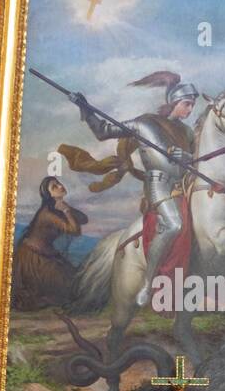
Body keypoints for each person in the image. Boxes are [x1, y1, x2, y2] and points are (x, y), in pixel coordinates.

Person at [67, 70, 197, 307]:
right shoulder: (145, 123)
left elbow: (199, 160)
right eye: (187, 104)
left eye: (192, 105)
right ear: (174, 102)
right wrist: (85, 108)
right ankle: (149, 284)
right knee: (174, 225)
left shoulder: (187, 132)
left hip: (183, 187)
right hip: (159, 187)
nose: (190, 110)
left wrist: (187, 156)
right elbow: (103, 132)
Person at [11, 176, 87, 310]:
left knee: (76, 281)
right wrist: (66, 211)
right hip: (34, 259)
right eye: (54, 187)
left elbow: (83, 219)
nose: (60, 186)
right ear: (49, 195)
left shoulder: (57, 209)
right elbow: (74, 230)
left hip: (49, 255)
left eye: (58, 183)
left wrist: (66, 207)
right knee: (67, 288)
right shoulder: (47, 214)